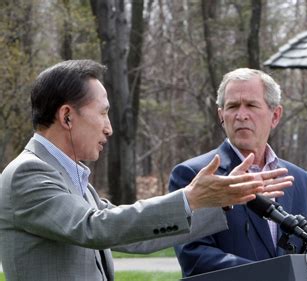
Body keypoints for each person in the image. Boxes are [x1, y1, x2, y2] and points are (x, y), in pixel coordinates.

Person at [0, 60, 292, 281]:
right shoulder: (29, 174)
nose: (109, 127)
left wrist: (215, 201)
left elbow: (134, 235)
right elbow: (96, 227)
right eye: (103, 113)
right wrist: (189, 198)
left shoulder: (76, 181)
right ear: (66, 116)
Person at [169, 68, 307, 277]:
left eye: (251, 105)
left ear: (275, 115)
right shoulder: (194, 175)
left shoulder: (299, 179)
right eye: (233, 106)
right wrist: (273, 275)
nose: (241, 115)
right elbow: (195, 257)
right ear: (221, 116)